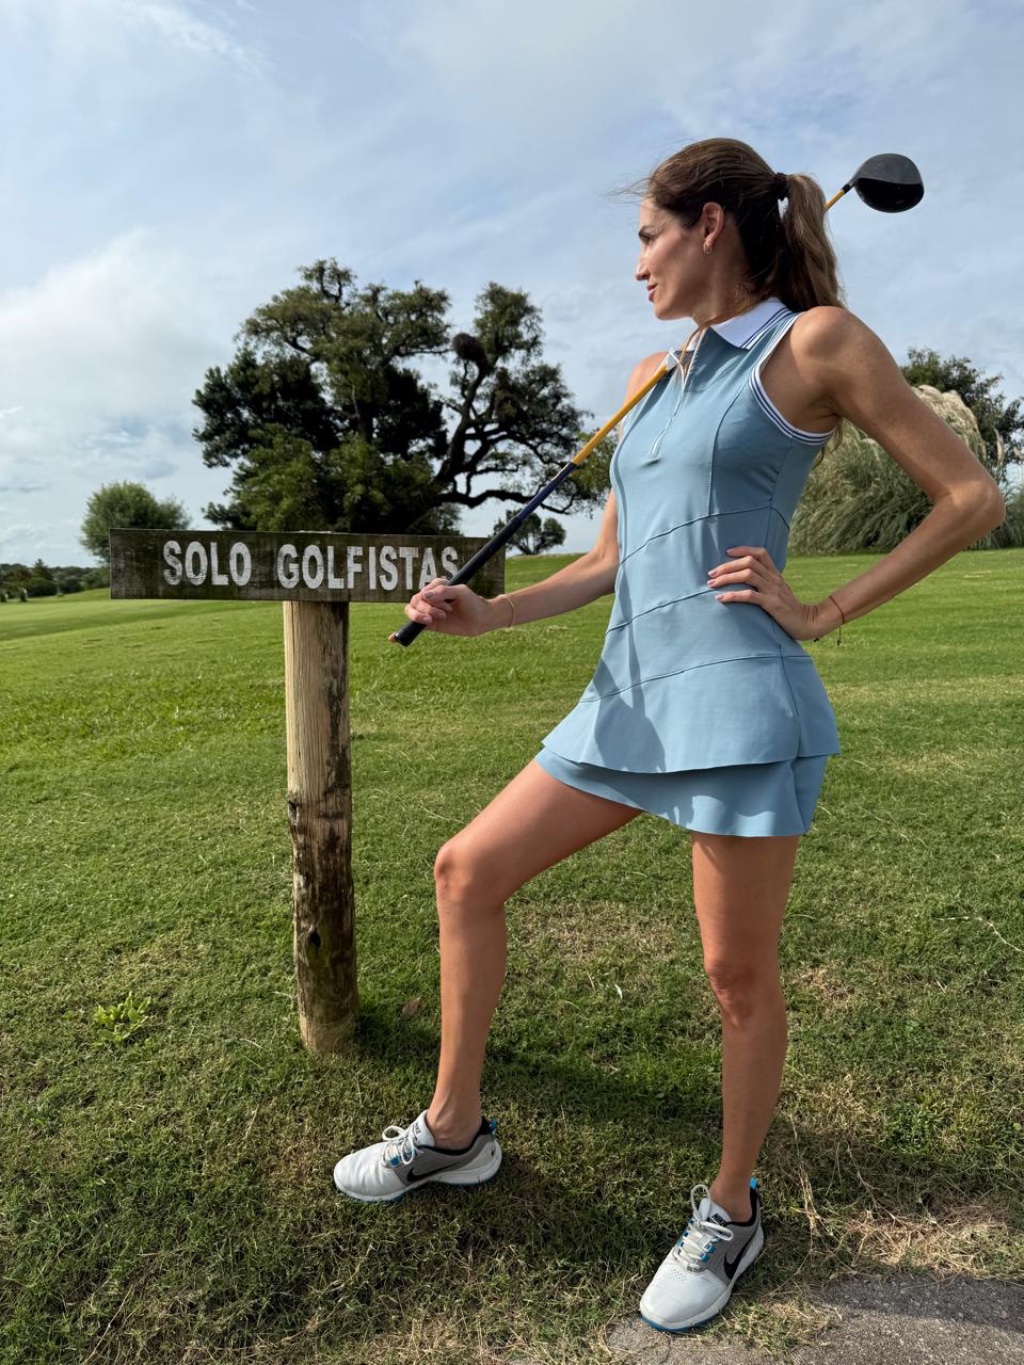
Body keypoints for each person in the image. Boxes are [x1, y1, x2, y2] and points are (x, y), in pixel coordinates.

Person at [332, 138, 1005, 1333]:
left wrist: (824, 609)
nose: (633, 264)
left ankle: (730, 1209)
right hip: (626, 702)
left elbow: (969, 498)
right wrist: (489, 613)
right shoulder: (650, 373)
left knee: (735, 979)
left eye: (644, 236)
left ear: (705, 225)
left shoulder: (816, 343)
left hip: (741, 704)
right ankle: (453, 1132)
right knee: (465, 869)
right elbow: (605, 561)